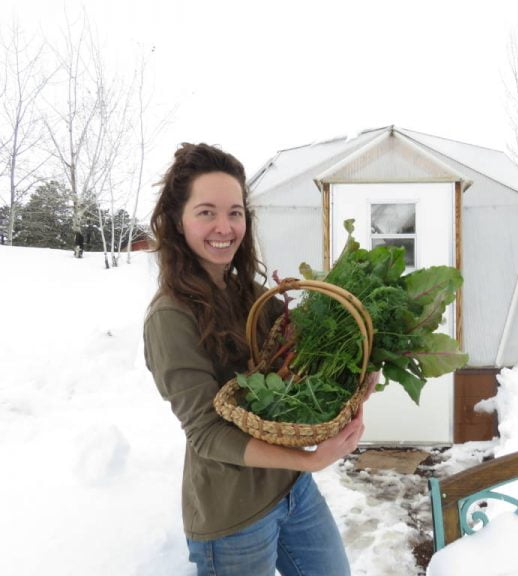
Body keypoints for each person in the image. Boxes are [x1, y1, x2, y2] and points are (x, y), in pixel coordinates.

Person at [143, 142, 371, 575]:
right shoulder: (169, 317)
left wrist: (358, 368)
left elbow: (298, 358)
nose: (224, 227)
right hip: (233, 514)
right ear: (177, 220)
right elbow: (207, 434)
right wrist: (311, 459)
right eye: (206, 211)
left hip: (292, 490)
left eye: (235, 212)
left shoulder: (246, 290)